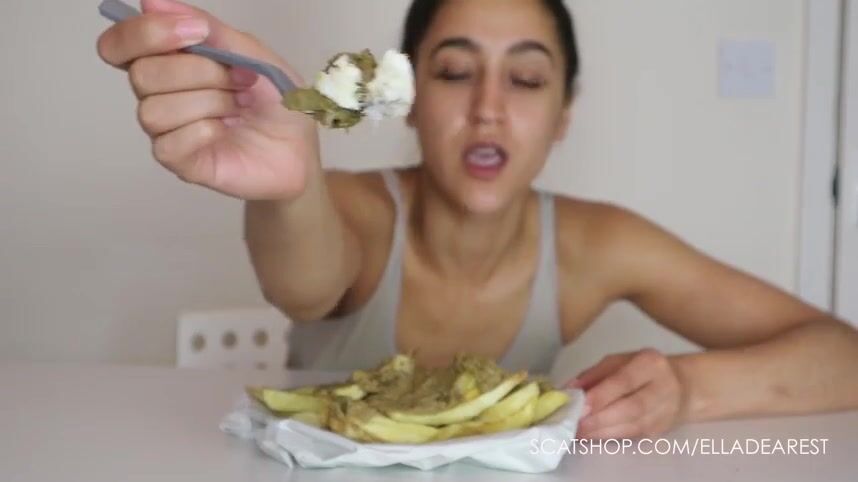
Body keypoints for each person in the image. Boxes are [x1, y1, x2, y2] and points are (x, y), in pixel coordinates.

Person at [96, 0, 858, 439]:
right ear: (411, 98)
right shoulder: (354, 208)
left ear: (564, 113)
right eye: (456, 72)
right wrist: (291, 188)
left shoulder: (600, 244)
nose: (489, 108)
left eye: (526, 79)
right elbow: (302, 284)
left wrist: (688, 390)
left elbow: (841, 355)